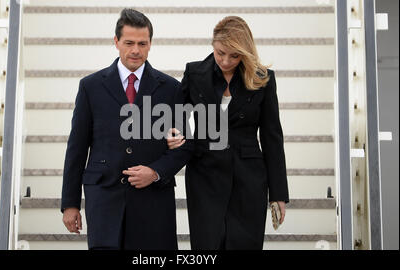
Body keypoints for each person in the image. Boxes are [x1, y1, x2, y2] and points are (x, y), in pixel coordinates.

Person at [61, 8, 191, 250]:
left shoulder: (171, 89)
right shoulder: (90, 87)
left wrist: (154, 171)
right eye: (129, 42)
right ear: (116, 42)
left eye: (142, 43)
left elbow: (183, 147)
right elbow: (77, 148)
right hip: (104, 199)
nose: (135, 50)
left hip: (153, 202)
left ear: (150, 44)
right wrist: (70, 203)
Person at [167, 16, 290, 250]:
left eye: (234, 55)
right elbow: (177, 113)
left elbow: (272, 136)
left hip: (249, 180)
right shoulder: (194, 73)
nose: (225, 61)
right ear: (213, 45)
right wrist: (178, 134)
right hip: (205, 177)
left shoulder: (263, 78)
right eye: (220, 53)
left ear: (245, 51)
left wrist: (278, 194)